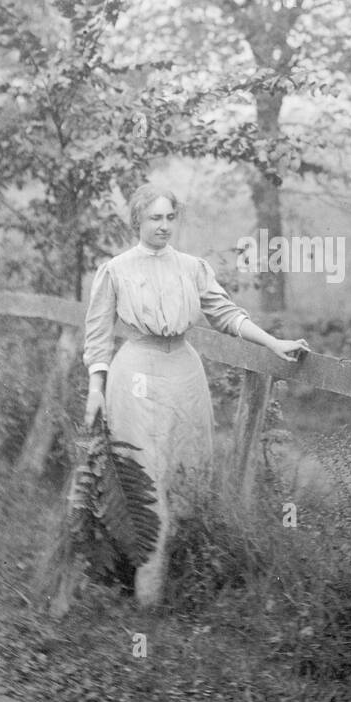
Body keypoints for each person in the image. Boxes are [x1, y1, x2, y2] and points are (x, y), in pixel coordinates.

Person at [82, 185, 309, 607]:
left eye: (170, 217)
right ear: (137, 222)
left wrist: (272, 342)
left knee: (184, 475)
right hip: (136, 374)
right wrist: (96, 389)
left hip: (184, 373)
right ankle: (144, 600)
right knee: (142, 477)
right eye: (155, 218)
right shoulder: (115, 270)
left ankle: (174, 578)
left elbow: (226, 314)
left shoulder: (192, 268)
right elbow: (96, 338)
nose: (164, 226)